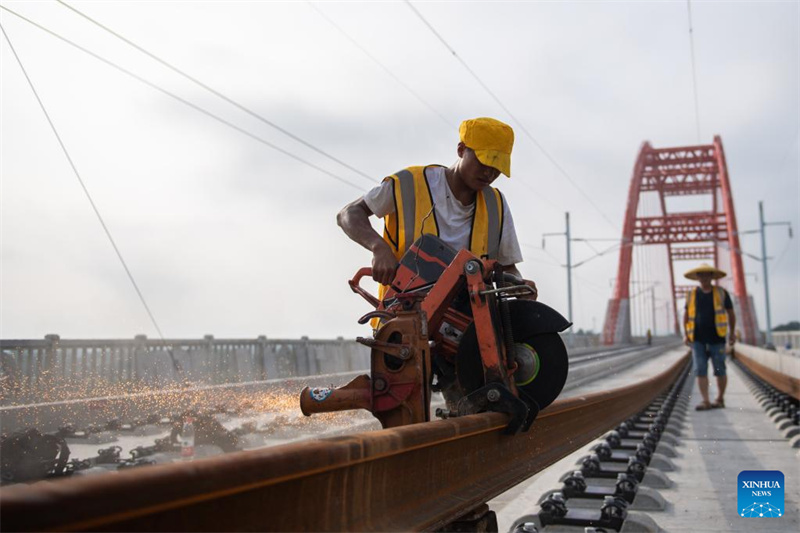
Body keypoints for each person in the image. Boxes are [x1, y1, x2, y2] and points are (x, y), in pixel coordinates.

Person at [337, 117, 537, 307]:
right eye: (483, 162)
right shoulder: (409, 183)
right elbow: (348, 214)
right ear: (461, 150)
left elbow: (508, 268)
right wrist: (379, 248)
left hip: (467, 327)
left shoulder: (496, 204)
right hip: (403, 318)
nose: (489, 173)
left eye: (496, 167)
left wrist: (518, 285)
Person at [682, 264, 736, 411]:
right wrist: (686, 334)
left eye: (707, 274)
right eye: (701, 274)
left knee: (720, 370)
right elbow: (686, 315)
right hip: (697, 339)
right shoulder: (691, 294)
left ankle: (719, 399)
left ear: (712, 276)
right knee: (700, 370)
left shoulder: (721, 293)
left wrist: (732, 334)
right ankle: (706, 401)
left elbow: (730, 313)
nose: (704, 277)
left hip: (717, 338)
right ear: (697, 277)